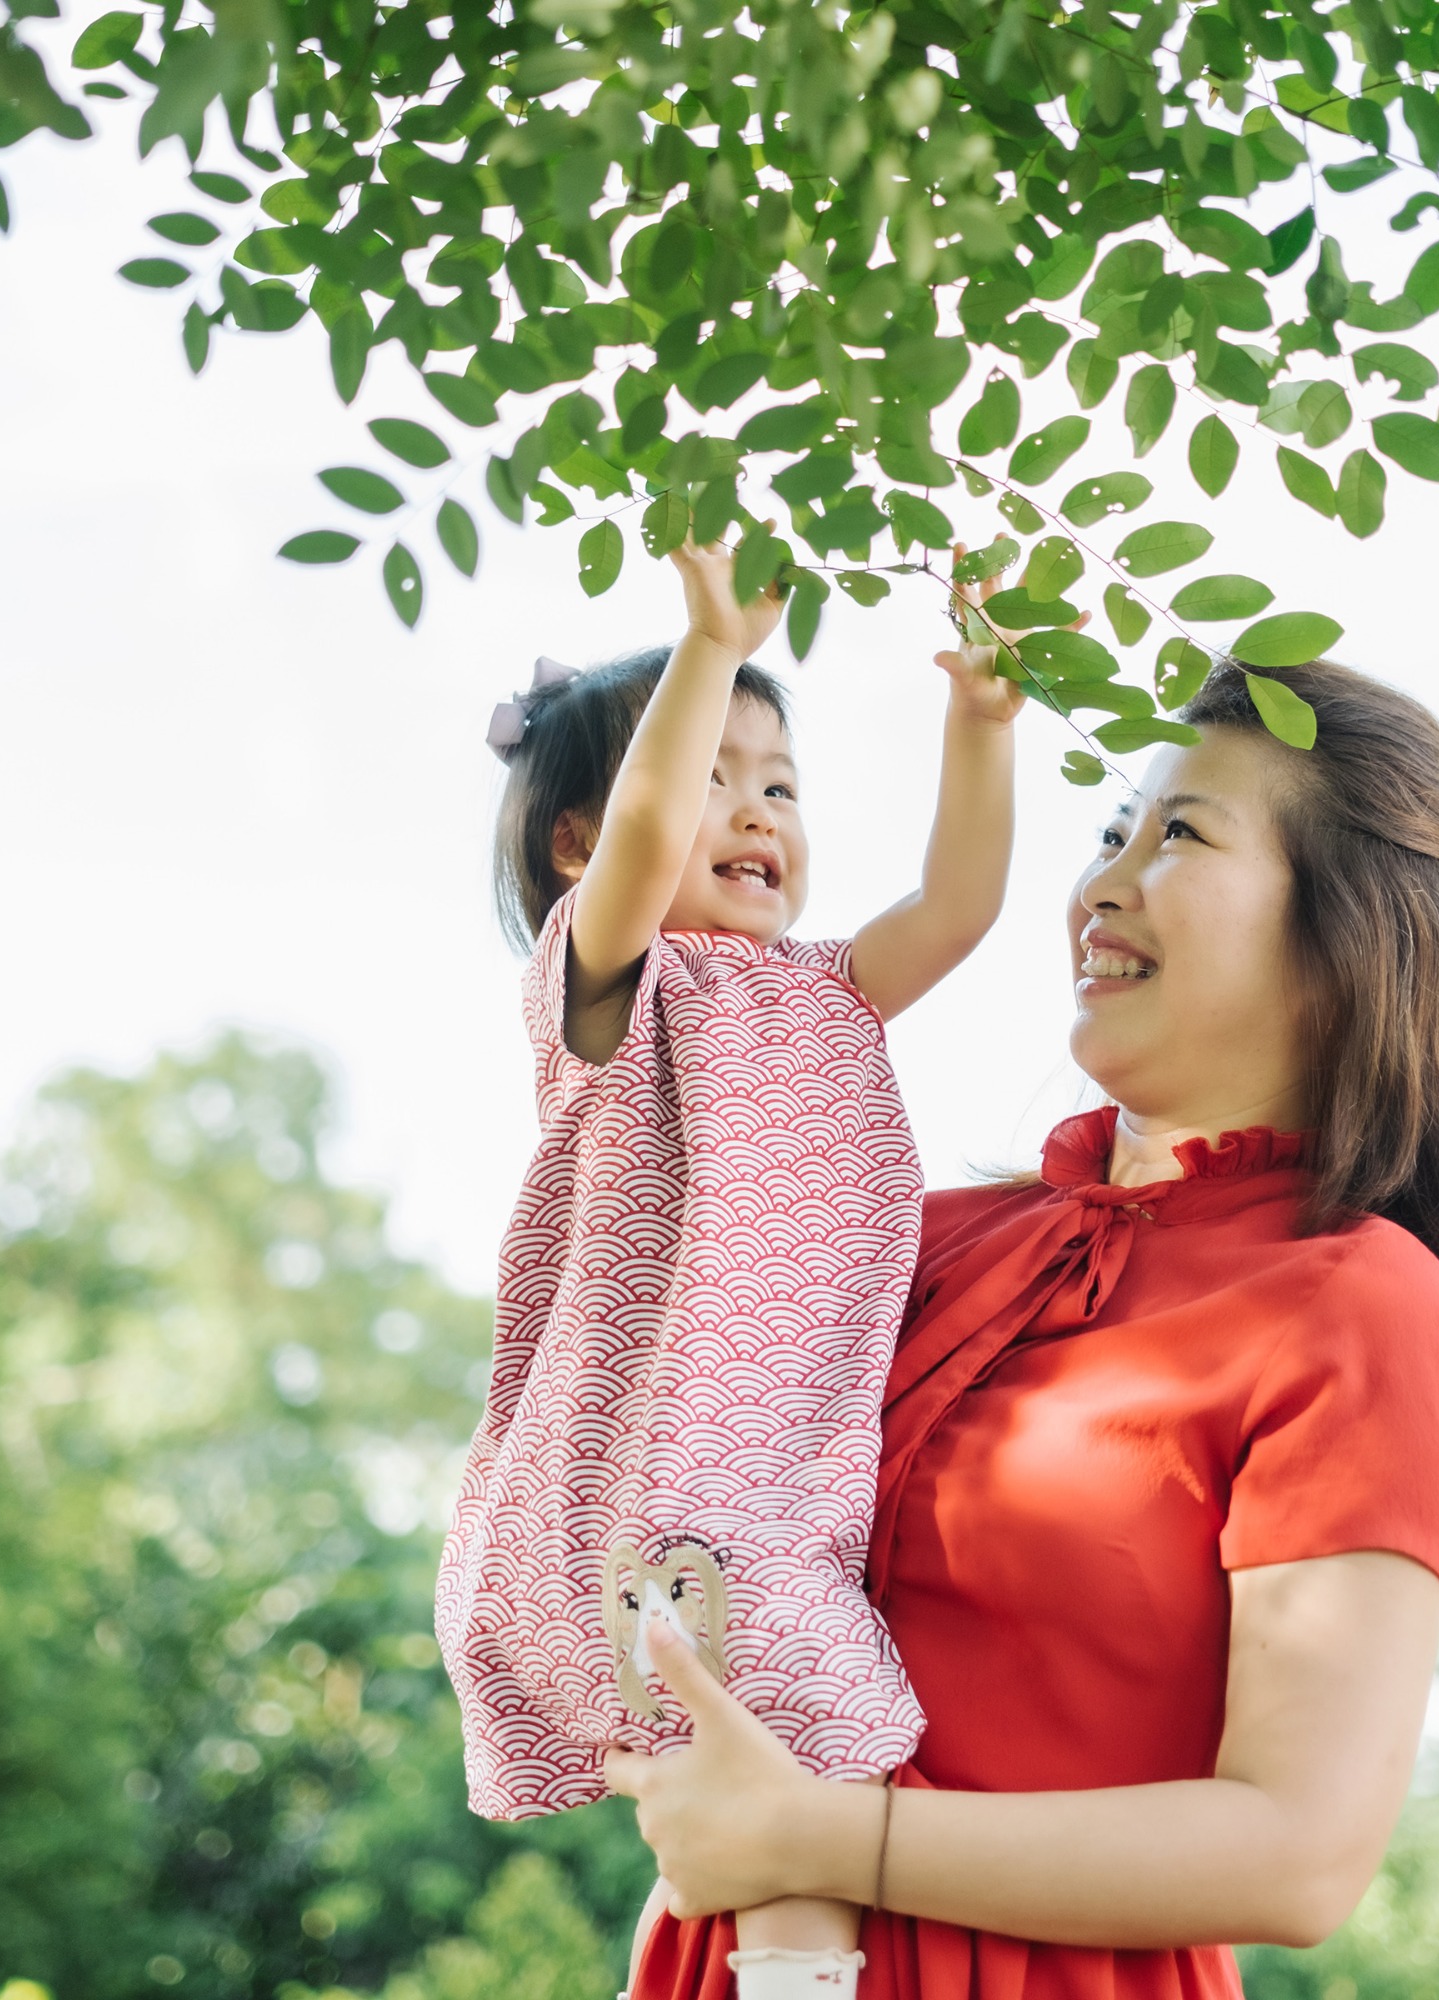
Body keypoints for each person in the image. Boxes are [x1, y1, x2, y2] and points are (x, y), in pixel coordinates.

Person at [606, 657, 1439, 2000]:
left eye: (1180, 834)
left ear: (1346, 944)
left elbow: (1300, 1854)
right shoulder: (905, 1234)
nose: (1102, 881)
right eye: (1115, 829)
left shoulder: (1359, 1304)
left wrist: (823, 1835)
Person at [436, 541, 1026, 2000]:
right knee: (822, 1806)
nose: (758, 809)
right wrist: (708, 649)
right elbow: (645, 848)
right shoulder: (615, 991)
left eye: (781, 782)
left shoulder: (829, 997)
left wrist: (984, 719)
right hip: (652, 1507)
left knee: (798, 1825)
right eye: (716, 772)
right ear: (580, 842)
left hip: (764, 1507)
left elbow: (957, 906)